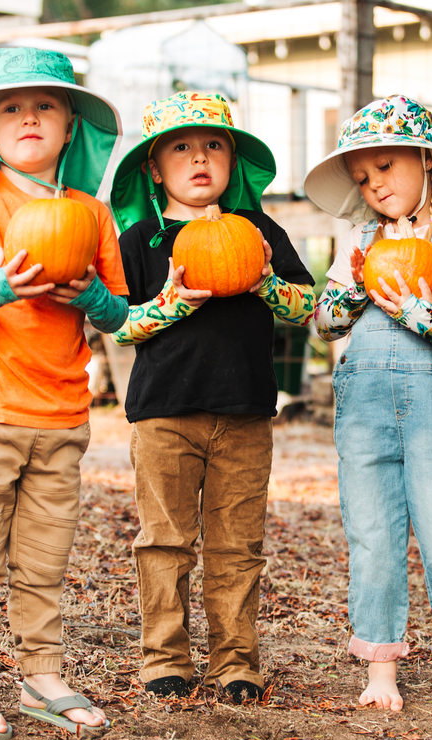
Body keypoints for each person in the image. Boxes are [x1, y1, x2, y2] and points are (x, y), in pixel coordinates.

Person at [0, 47, 129, 740]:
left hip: (62, 415)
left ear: (71, 125)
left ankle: (42, 673)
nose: (29, 116)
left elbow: (119, 313)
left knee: (43, 559)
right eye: (11, 106)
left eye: (46, 105)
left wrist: (93, 294)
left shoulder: (92, 216)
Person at [304, 95, 432, 715]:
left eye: (386, 168)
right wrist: (353, 289)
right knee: (372, 533)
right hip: (363, 402)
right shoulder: (361, 239)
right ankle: (380, 667)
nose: (374, 186)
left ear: (425, 161)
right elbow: (325, 323)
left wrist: (415, 311)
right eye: (363, 178)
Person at [108, 92, 316, 703]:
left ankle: (235, 662)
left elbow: (307, 307)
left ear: (232, 160)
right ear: (154, 166)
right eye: (181, 147)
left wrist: (266, 285)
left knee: (236, 544)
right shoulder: (143, 240)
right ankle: (164, 657)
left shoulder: (259, 231)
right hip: (164, 415)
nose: (199, 157)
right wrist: (170, 304)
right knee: (165, 539)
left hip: (246, 412)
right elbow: (115, 323)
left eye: (213, 146)